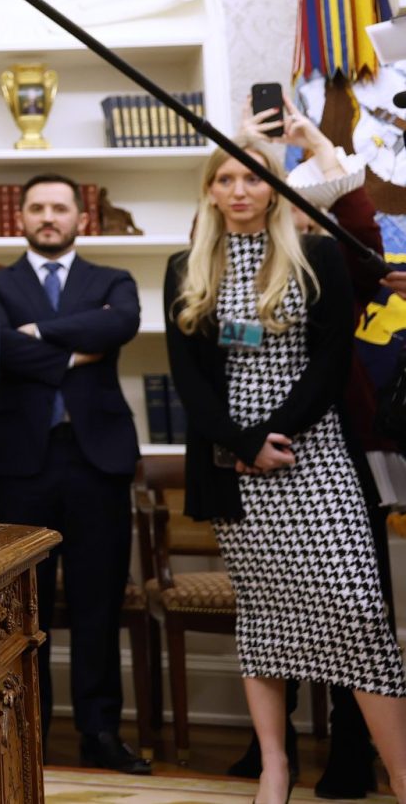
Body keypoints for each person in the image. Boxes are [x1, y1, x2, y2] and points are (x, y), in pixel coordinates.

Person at [164, 141, 406, 804]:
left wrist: (278, 435)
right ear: (210, 191)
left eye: (253, 176)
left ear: (275, 188)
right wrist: (241, 442)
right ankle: (274, 768)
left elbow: (330, 363)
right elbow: (188, 376)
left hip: (314, 453)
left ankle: (400, 772)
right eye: (225, 178)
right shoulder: (186, 265)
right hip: (233, 463)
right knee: (264, 616)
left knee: (358, 609)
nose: (239, 189)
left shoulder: (315, 254)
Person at [0, 173, 148, 774]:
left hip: (97, 460)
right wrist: (78, 348)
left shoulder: (113, 280)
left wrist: (41, 334)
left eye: (59, 207)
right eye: (37, 207)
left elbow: (120, 324)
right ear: (19, 218)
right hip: (18, 463)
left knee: (96, 601)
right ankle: (26, 730)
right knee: (21, 607)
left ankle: (99, 732)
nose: (48, 216)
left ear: (81, 218)